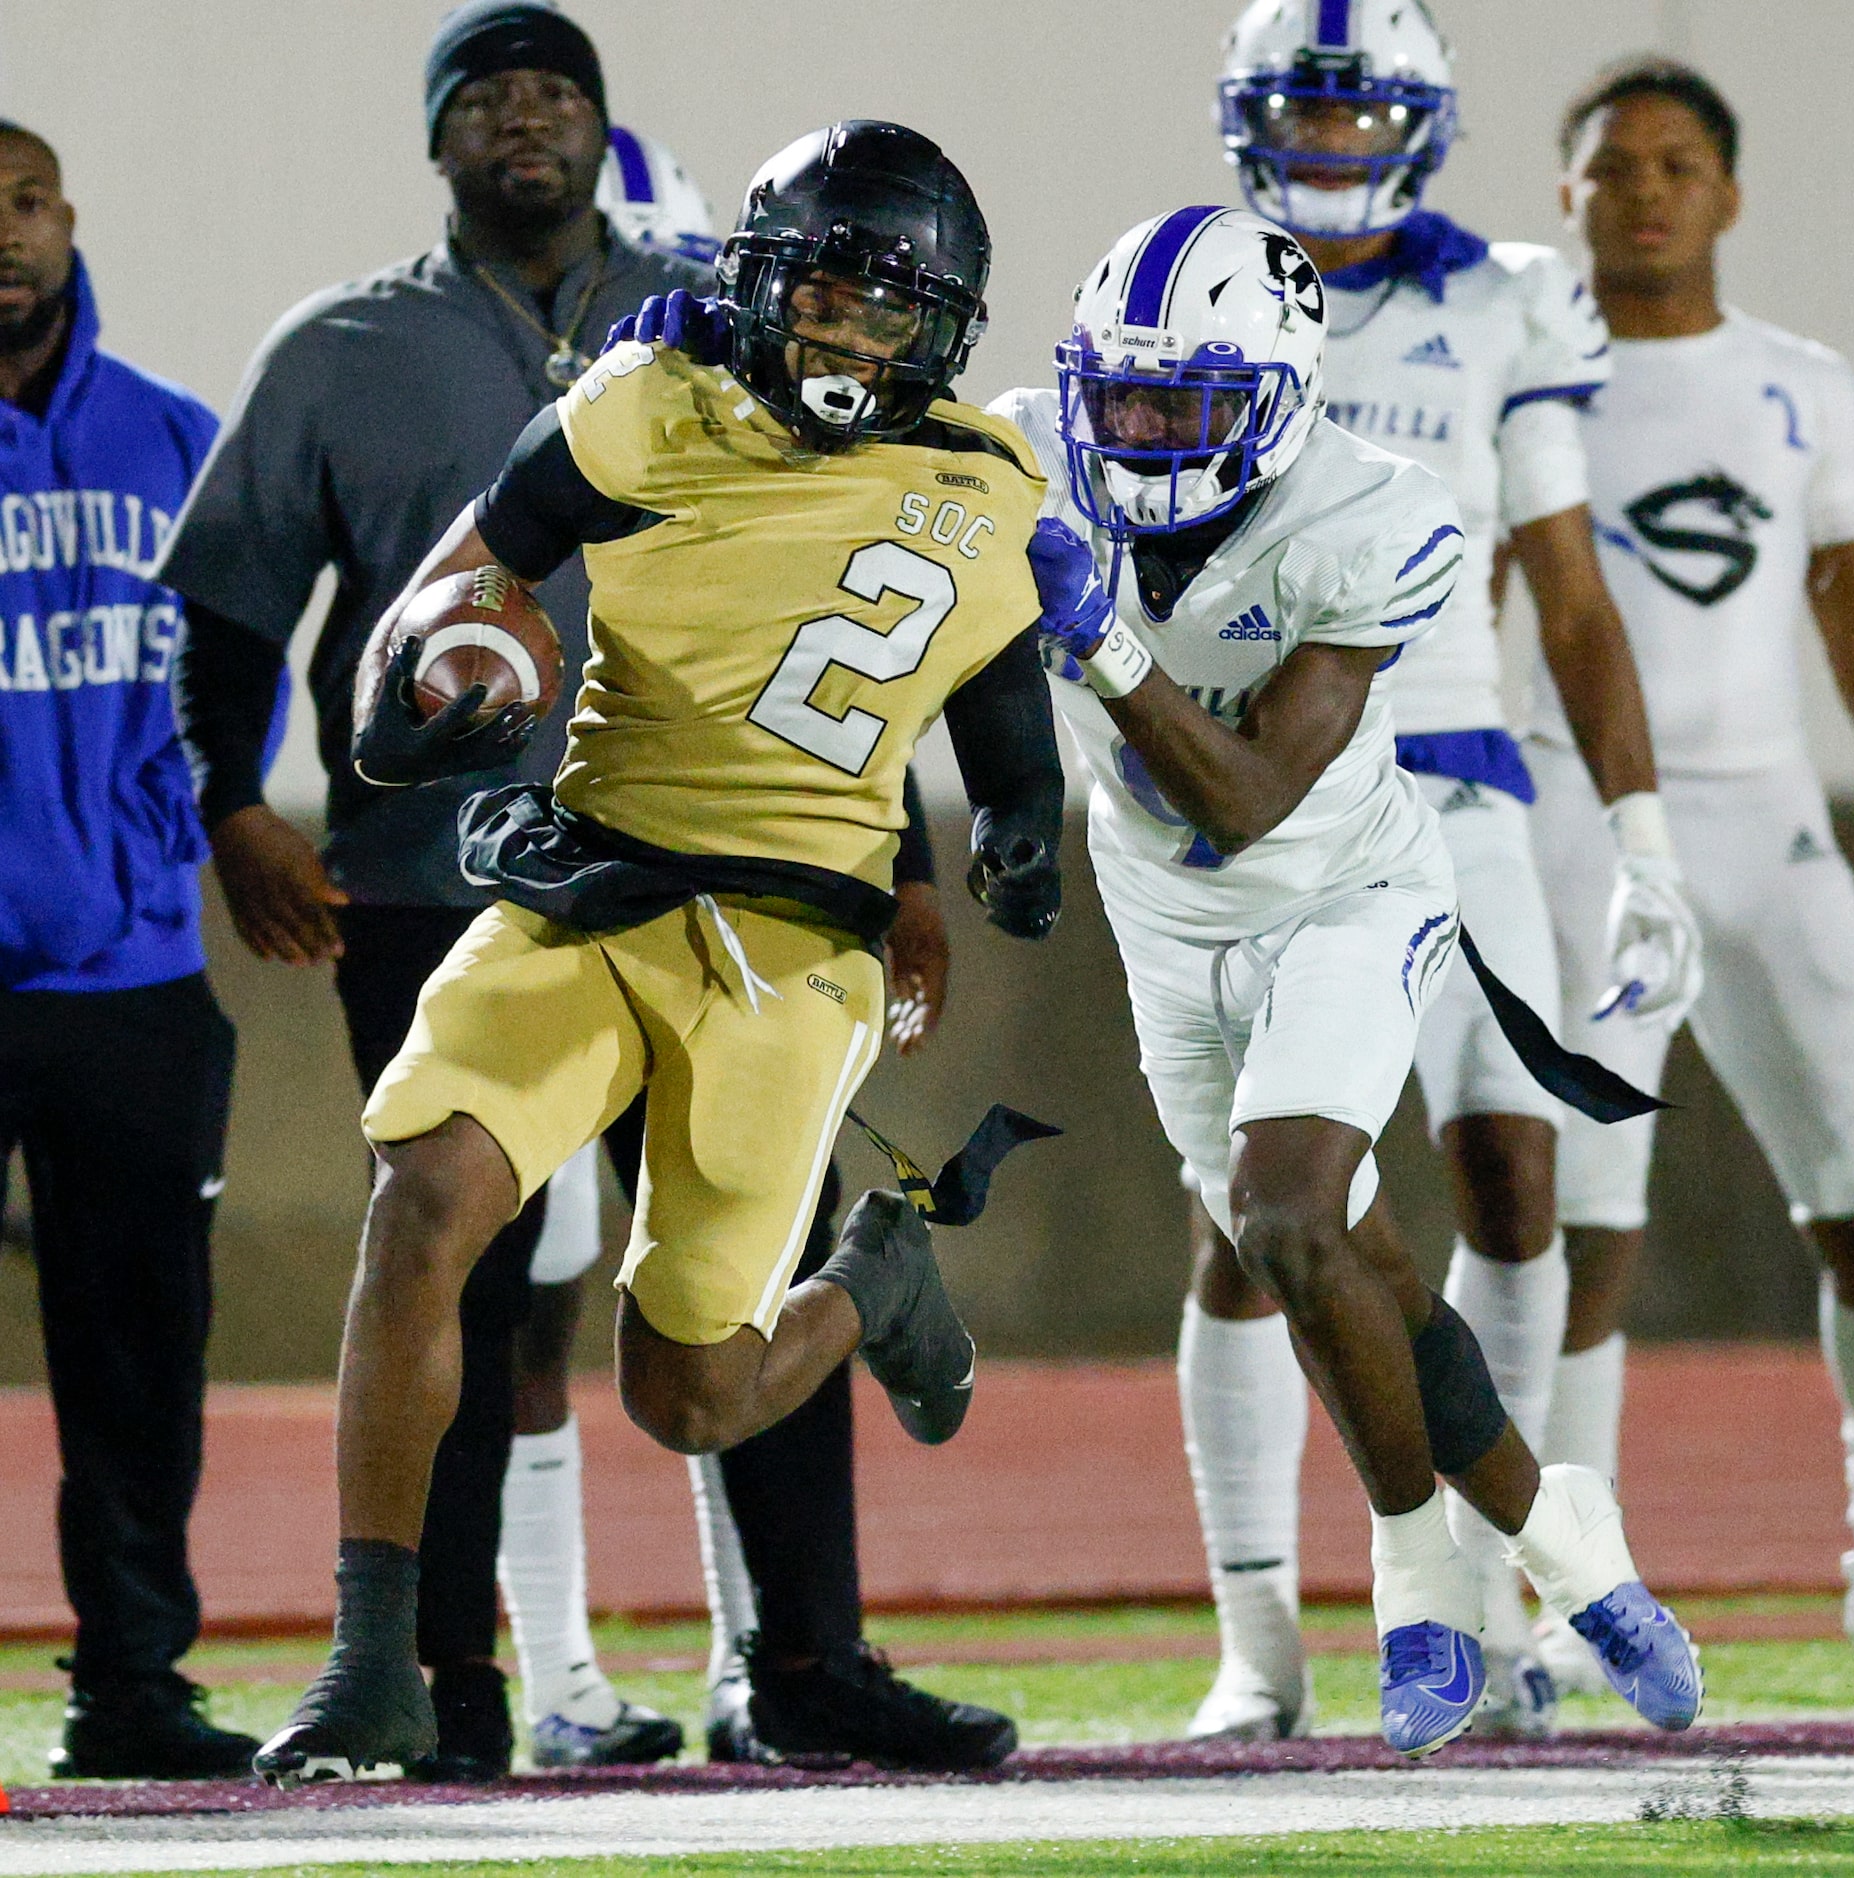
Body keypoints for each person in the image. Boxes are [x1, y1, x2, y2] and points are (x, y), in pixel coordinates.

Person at [250, 116, 1064, 1785]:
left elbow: (1001, 719)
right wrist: (429, 693)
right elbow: (447, 600)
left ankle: (874, 1280)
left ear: (944, 329)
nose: (846, 327)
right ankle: (373, 1661)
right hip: (590, 885)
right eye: (823, 287)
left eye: (887, 304)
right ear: (760, 280)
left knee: (688, 1395)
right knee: (424, 1196)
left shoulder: (983, 484)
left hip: (788, 943)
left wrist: (1027, 841)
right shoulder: (645, 401)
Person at [992, 203, 1699, 1756]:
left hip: (1343, 884)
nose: (1142, 434)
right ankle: (1557, 1527)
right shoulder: (1027, 452)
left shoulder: (1373, 511)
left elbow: (1242, 795)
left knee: (1290, 1217)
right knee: (1349, 1265)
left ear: (1282, 396)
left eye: (1183, 405)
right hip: (1163, 921)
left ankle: (1417, 1564)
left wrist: (1105, 645)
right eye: (1121, 399)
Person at [160, 0, 712, 1778]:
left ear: (597, 125)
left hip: (699, 855)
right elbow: (235, 599)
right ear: (440, 140)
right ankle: (446, 1680)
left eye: (557, 91)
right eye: (487, 98)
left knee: (727, 1258)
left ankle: (795, 1653)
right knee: (463, 1272)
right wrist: (235, 800)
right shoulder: (339, 342)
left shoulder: (708, 325)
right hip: (428, 877)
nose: (526, 120)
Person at [1169, 0, 1703, 1742]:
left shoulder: (1504, 299)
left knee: (1507, 1180)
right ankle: (1257, 1638)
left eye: (1354, 116)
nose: (1325, 146)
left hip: (1453, 777)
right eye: (1297, 117)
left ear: (1416, 125)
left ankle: (1485, 1598)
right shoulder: (1191, 284)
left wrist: (1635, 835)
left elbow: (1565, 588)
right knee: (1256, 1224)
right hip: (1259, 792)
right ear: (1247, 120)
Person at [1529, 59, 1854, 1681]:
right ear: (1563, 196)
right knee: (1575, 1227)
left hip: (1764, 821)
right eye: (1612, 167)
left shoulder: (1803, 383)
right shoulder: (1523, 377)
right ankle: (1554, 1593)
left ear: (1728, 194)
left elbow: (1853, 623)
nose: (1644, 190)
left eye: (1676, 164)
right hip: (1574, 823)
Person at [504, 772, 1018, 1772]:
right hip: (486, 895)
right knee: (507, 1288)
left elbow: (854, 648)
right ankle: (501, 1677)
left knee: (742, 1266)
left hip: (712, 911)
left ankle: (789, 1664)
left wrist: (911, 877)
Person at [0, 119, 259, 1779]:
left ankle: (133, 1683)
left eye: (20, 204)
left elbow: (237, 667)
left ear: (67, 218)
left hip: (132, 982)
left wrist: (179, 829)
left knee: (139, 1366)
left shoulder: (174, 439)